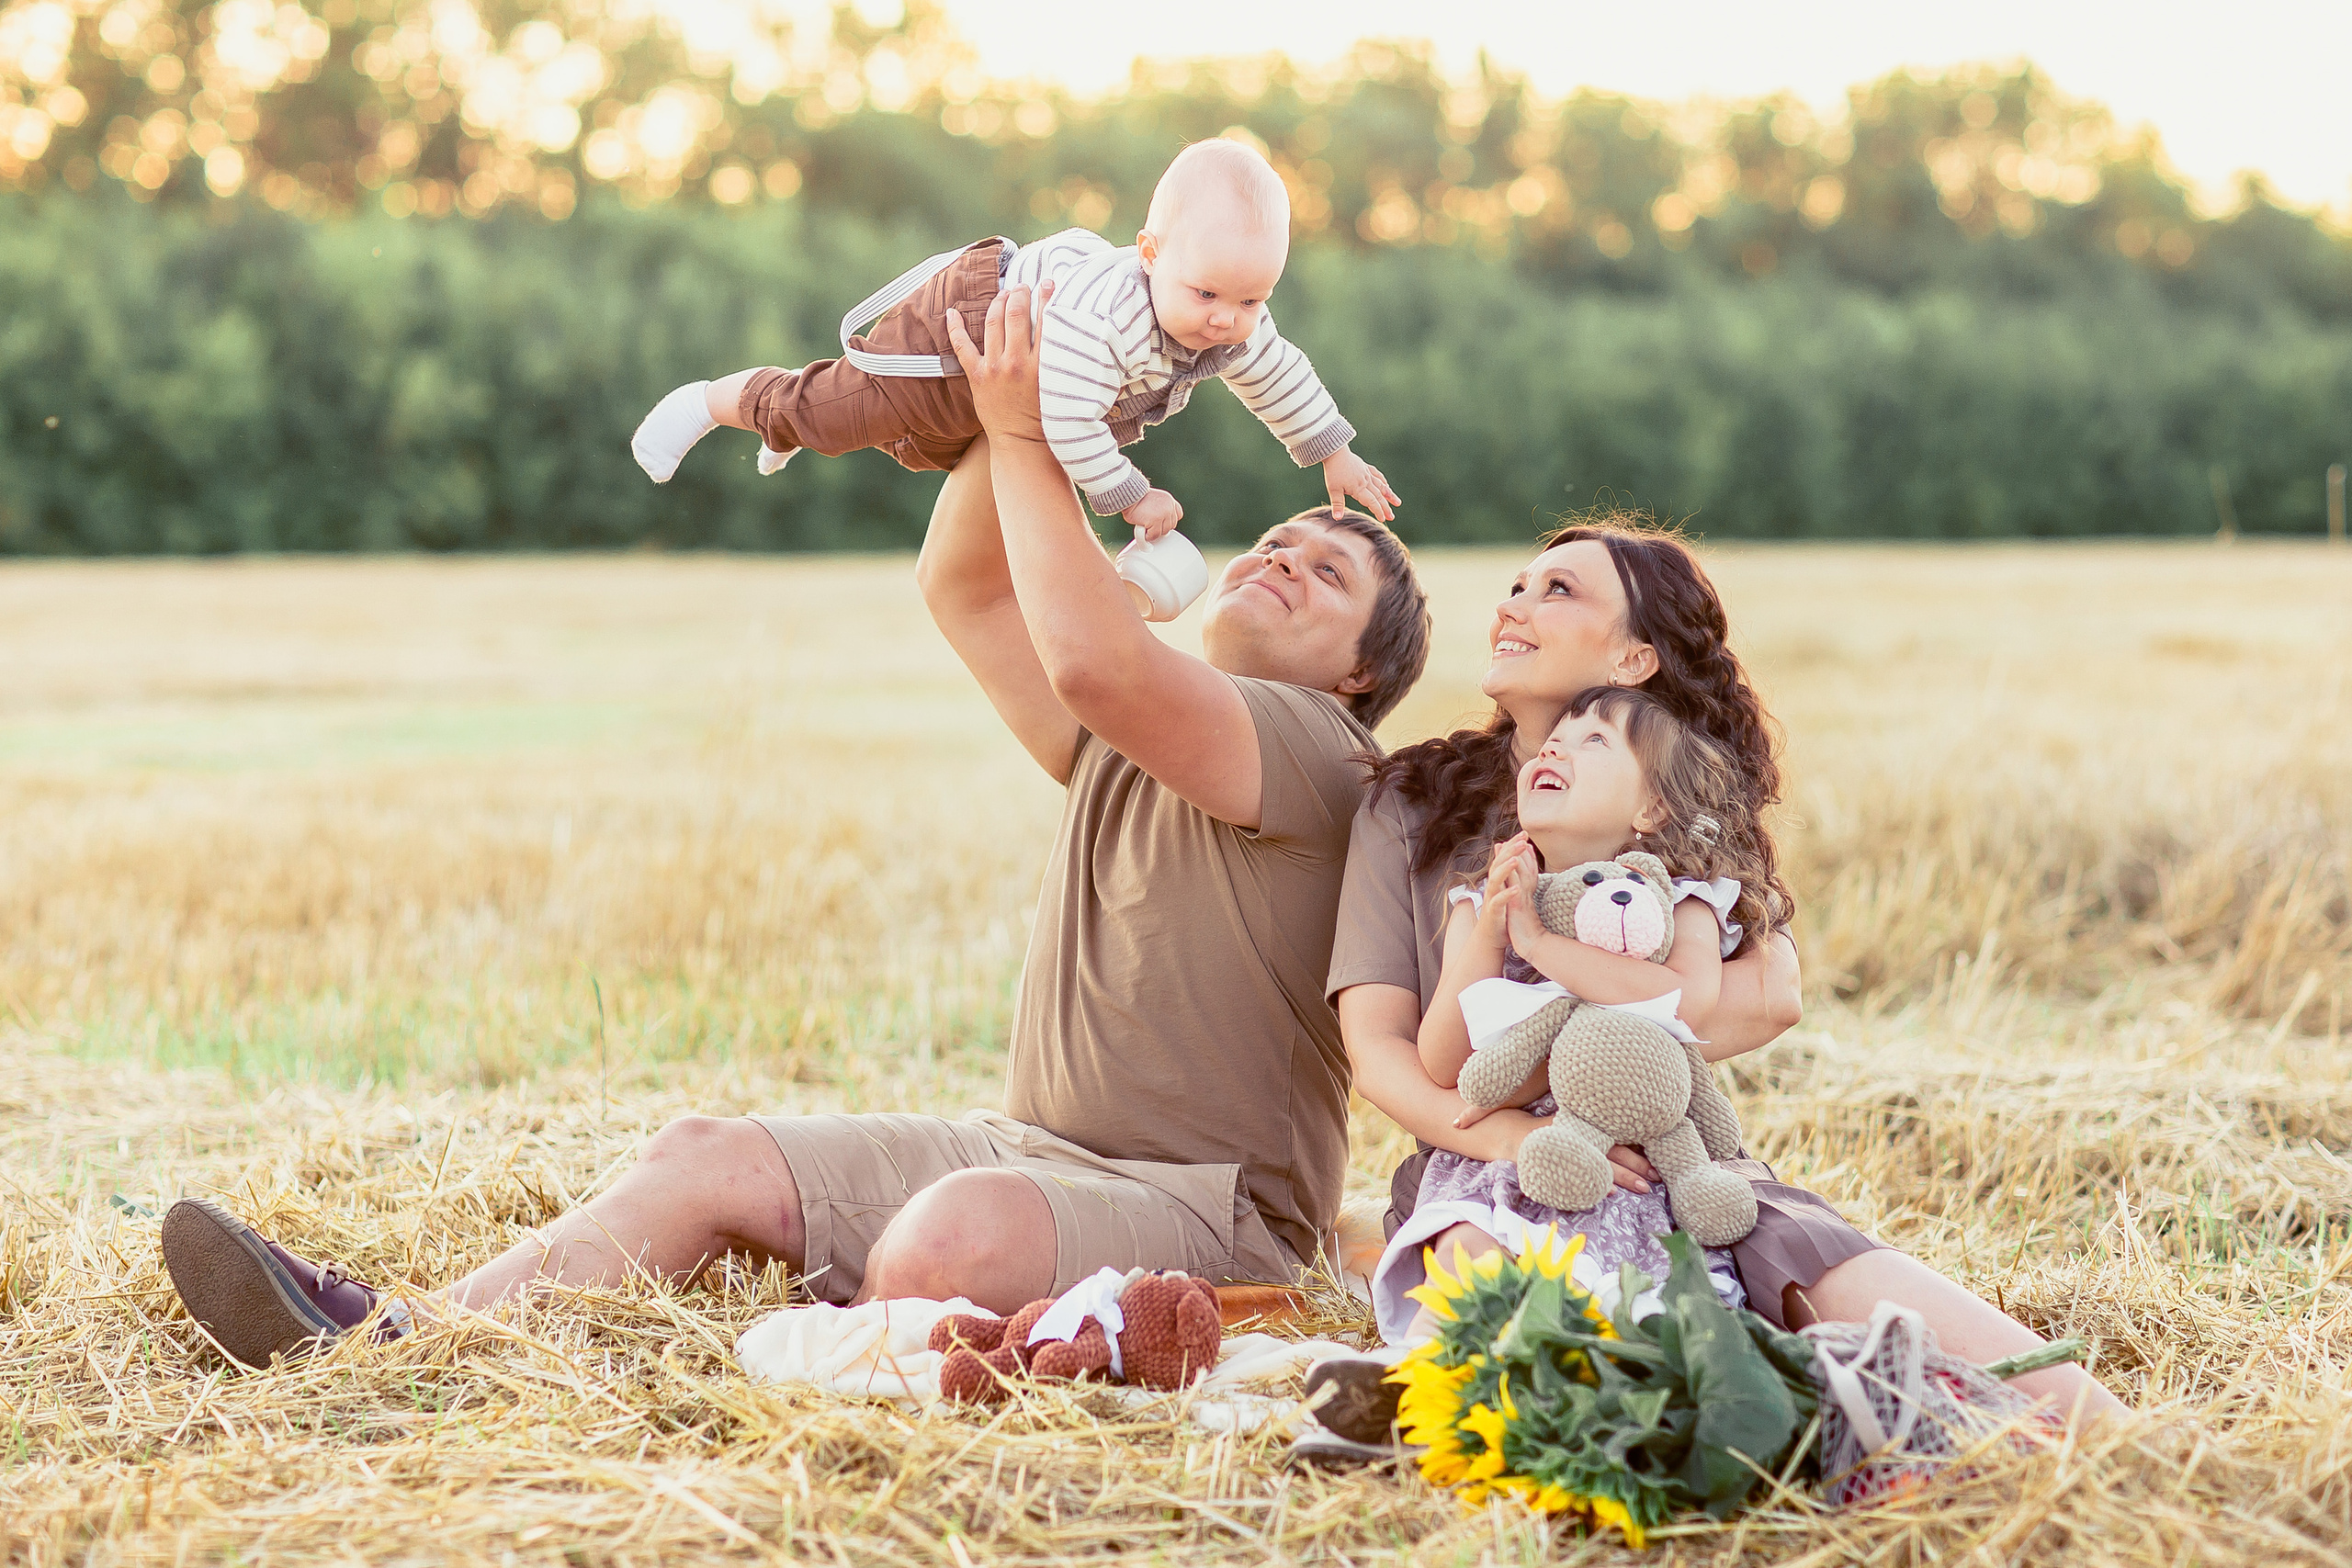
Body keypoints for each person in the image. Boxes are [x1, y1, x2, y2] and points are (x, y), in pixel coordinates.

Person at [157, 280, 1432, 1373]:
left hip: (1217, 1213)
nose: (1281, 557)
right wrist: (1053, 395)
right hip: (1041, 1148)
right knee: (702, 1151)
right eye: (1278, 537)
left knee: (947, 1237)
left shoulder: (1323, 752)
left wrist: (1021, 431)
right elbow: (965, 586)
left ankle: (889, 1360)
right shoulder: (1134, 746)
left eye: (1329, 574)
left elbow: (1098, 659)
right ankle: (400, 1335)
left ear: (1360, 678)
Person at [1306, 522, 2125, 1444]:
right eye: (1517, 584)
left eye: (1557, 590)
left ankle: (2100, 1439)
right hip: (1480, 1169)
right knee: (1523, 1327)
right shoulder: (1411, 803)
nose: (1513, 604)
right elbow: (1378, 1055)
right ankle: (1737, 1425)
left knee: (1876, 1297)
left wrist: (1584, 1044)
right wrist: (1509, 1131)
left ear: (1634, 656)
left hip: (1676, 1160)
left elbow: (1770, 997)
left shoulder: (1681, 823)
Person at [629, 137, 1397, 540]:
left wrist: (1334, 450)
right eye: (1207, 294)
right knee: (845, 411)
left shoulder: (1230, 322)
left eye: (1252, 297)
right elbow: (1064, 420)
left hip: (1004, 380)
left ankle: (799, 426)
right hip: (967, 322)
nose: (1227, 318)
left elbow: (1279, 374)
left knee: (920, 448)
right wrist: (1130, 498)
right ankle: (711, 401)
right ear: (1151, 254)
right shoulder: (1114, 317)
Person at [1366, 686, 1777, 1345]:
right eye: (1558, 735)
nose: (1556, 744)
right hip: (1509, 1164)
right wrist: (1491, 934)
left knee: (1637, 1313)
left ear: (1652, 807)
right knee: (1466, 1255)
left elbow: (1682, 998)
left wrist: (1540, 946)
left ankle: (1594, 1381)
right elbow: (1444, 1062)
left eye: (1595, 741)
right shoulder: (1483, 902)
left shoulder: (1678, 899)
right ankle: (1451, 1390)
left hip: (1633, 1171)